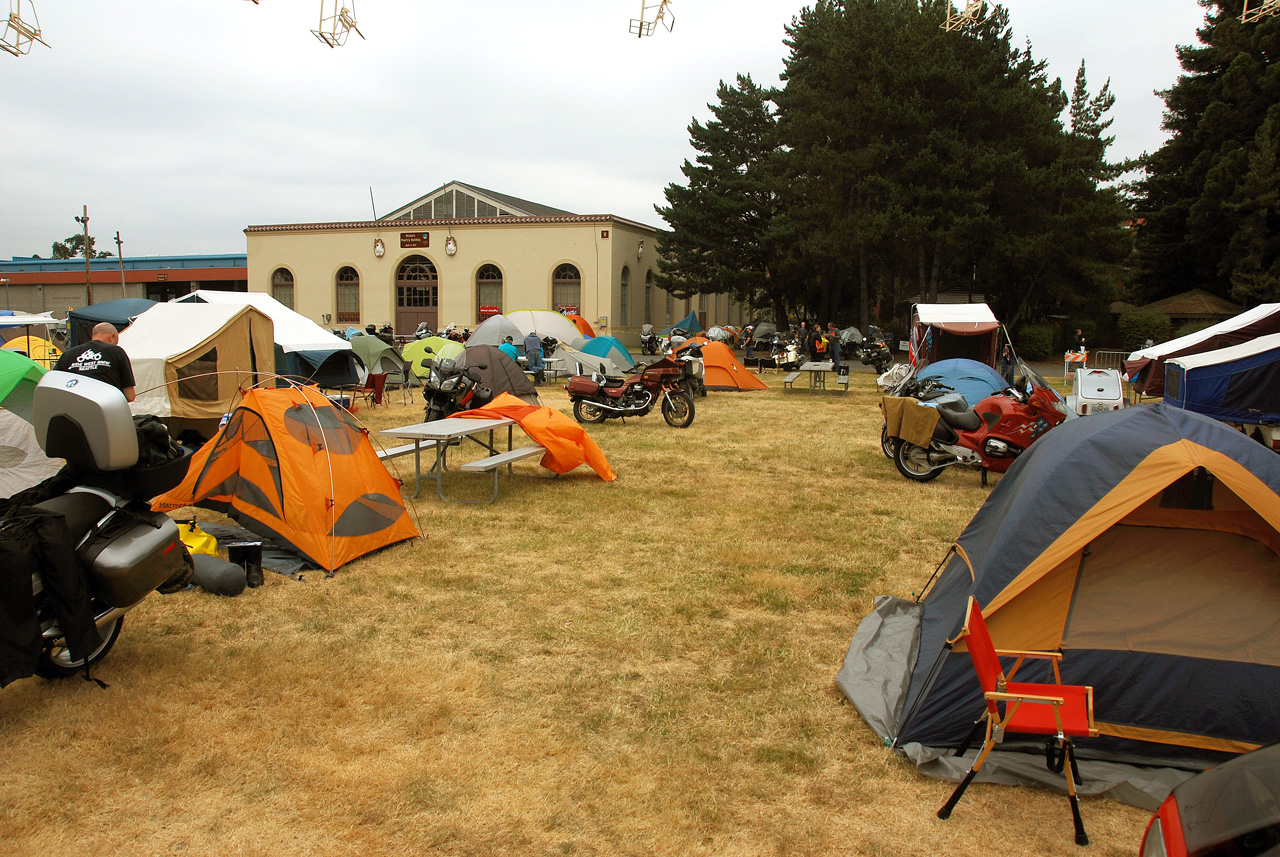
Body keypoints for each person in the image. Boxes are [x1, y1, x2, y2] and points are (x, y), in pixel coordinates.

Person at [55, 322, 136, 402]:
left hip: (74, 408)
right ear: (112, 337)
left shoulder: (68, 354)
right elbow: (130, 396)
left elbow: (55, 384)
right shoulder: (116, 351)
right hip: (106, 407)